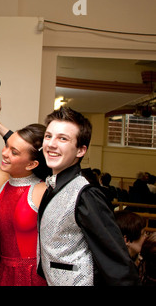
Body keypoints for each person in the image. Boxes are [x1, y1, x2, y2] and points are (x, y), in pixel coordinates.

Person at [37, 106, 140, 286]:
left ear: (81, 151)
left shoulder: (86, 195)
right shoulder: (55, 182)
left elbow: (116, 259)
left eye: (63, 138)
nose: (51, 144)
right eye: (48, 136)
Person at [0, 123, 49, 286]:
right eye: (6, 146)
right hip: (4, 270)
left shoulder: (42, 190)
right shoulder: (2, 181)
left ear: (32, 164)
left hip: (31, 276)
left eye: (13, 152)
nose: (4, 153)